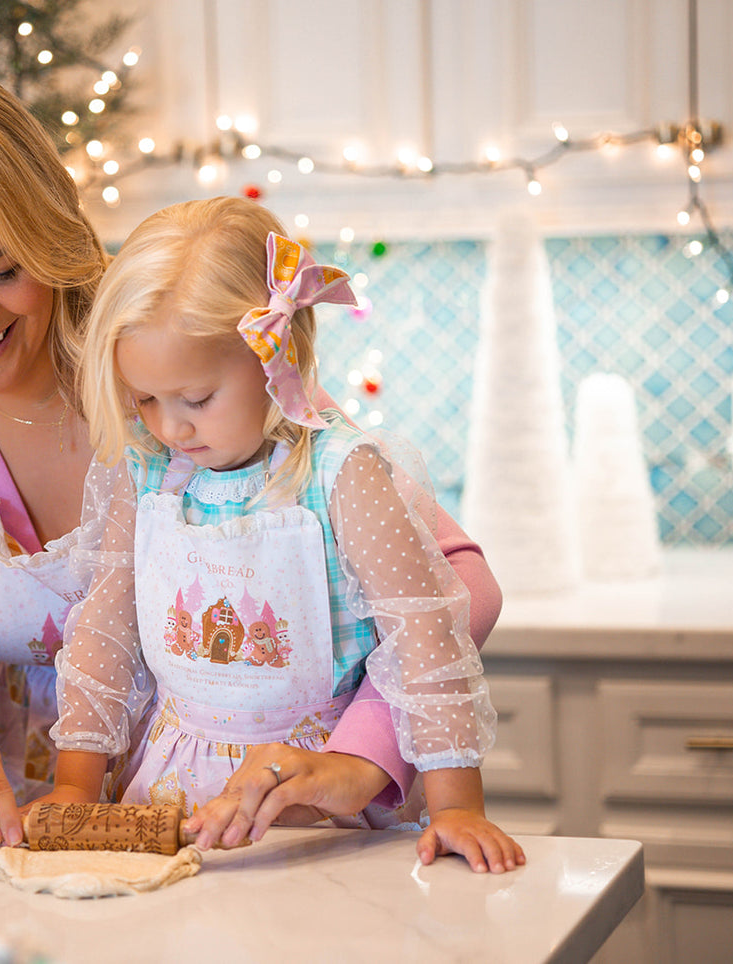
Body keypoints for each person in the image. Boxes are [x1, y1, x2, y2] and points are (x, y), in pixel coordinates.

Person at [0, 64, 505, 855]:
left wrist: (358, 759)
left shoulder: (162, 348)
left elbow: (456, 588)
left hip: (266, 817)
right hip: (28, 816)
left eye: (2, 271)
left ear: (48, 234)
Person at [47, 196, 524, 871]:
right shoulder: (144, 474)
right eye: (145, 400)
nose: (170, 428)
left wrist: (455, 807)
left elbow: (426, 642)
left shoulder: (343, 474)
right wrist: (76, 785)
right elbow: (104, 631)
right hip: (164, 799)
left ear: (277, 358)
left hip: (317, 815)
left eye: (197, 399)